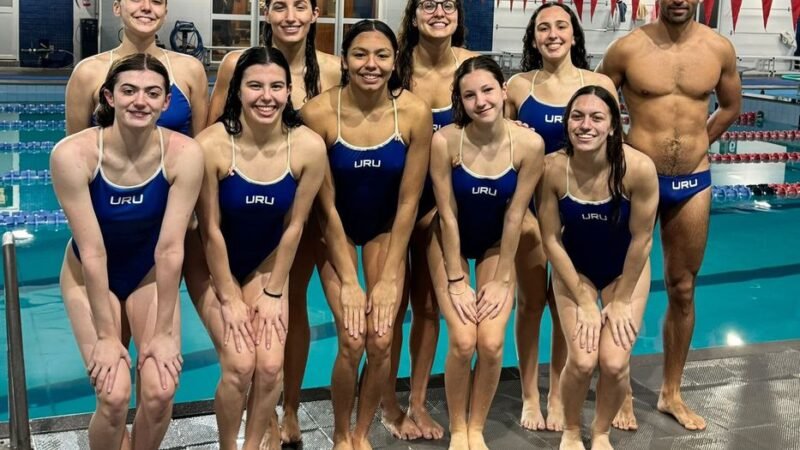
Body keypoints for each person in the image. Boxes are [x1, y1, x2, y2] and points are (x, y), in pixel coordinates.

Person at [597, 0, 741, 430]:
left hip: (693, 182)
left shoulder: (719, 48)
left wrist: (701, 142)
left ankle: (670, 394)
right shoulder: (627, 48)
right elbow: (597, 107)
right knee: (620, 287)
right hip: (637, 180)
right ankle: (618, 391)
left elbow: (730, 105)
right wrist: (621, 151)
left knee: (682, 288)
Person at [52, 53, 204, 450]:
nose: (141, 101)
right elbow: (93, 251)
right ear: (109, 97)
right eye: (129, 91)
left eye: (153, 93)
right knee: (114, 396)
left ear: (167, 102)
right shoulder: (73, 155)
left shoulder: (184, 154)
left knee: (159, 392)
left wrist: (167, 333)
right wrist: (105, 336)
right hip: (87, 275)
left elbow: (170, 250)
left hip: (148, 275)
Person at [205, 3, 340, 442]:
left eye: (277, 87)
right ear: (238, 90)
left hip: (275, 241)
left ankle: (268, 428)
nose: (267, 95)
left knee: (271, 358)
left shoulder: (309, 141)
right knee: (242, 364)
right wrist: (227, 296)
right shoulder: (213, 142)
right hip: (220, 245)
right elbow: (207, 226)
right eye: (256, 86)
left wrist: (275, 289)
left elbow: (296, 224)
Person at [301, 19, 432, 450]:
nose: (370, 64)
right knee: (352, 338)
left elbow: (409, 202)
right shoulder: (318, 113)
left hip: (384, 231)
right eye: (360, 54)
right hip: (333, 230)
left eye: (381, 55)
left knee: (381, 339)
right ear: (344, 58)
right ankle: (340, 434)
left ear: (395, 62)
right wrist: (351, 282)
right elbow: (325, 208)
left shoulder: (414, 113)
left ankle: (362, 435)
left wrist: (392, 277)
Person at [505, 1, 618, 431]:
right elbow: (502, 148)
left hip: (581, 214)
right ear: (533, 38)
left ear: (574, 34)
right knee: (531, 302)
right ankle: (530, 395)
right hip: (534, 213)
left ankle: (557, 392)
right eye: (543, 28)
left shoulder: (598, 82)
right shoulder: (518, 86)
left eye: (560, 26)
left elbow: (614, 144)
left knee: (562, 304)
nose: (552, 34)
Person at [429, 55, 543, 450]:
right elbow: (446, 214)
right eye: (469, 95)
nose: (480, 101)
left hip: (498, 243)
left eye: (487, 90)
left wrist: (503, 279)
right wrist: (457, 280)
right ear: (459, 101)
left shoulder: (529, 144)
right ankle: (457, 427)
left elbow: (516, 216)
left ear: (503, 90)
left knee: (491, 343)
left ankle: (476, 427)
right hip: (449, 242)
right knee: (463, 340)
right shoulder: (445, 141)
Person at [381, 0, 480, 441]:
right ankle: (387, 404)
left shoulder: (473, 67)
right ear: (414, 14)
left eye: (447, 5)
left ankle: (418, 402)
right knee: (390, 308)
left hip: (444, 205)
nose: (438, 12)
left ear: (458, 14)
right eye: (428, 4)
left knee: (427, 307)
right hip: (395, 199)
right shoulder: (395, 65)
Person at [539, 85, 658, 450]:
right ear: (567, 122)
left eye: (596, 117)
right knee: (581, 361)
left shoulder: (638, 169)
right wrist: (583, 299)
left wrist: (621, 300)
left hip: (625, 274)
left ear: (612, 126)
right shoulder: (554, 169)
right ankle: (572, 430)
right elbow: (550, 240)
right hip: (577, 272)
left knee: (614, 363)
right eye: (577, 116)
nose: (585, 125)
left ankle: (601, 431)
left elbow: (642, 240)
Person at [66, 0, 208, 136]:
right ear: (117, 7)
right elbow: (75, 151)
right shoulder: (87, 72)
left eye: (156, 1)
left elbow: (200, 146)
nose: (146, 7)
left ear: (165, 12)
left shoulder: (191, 69)